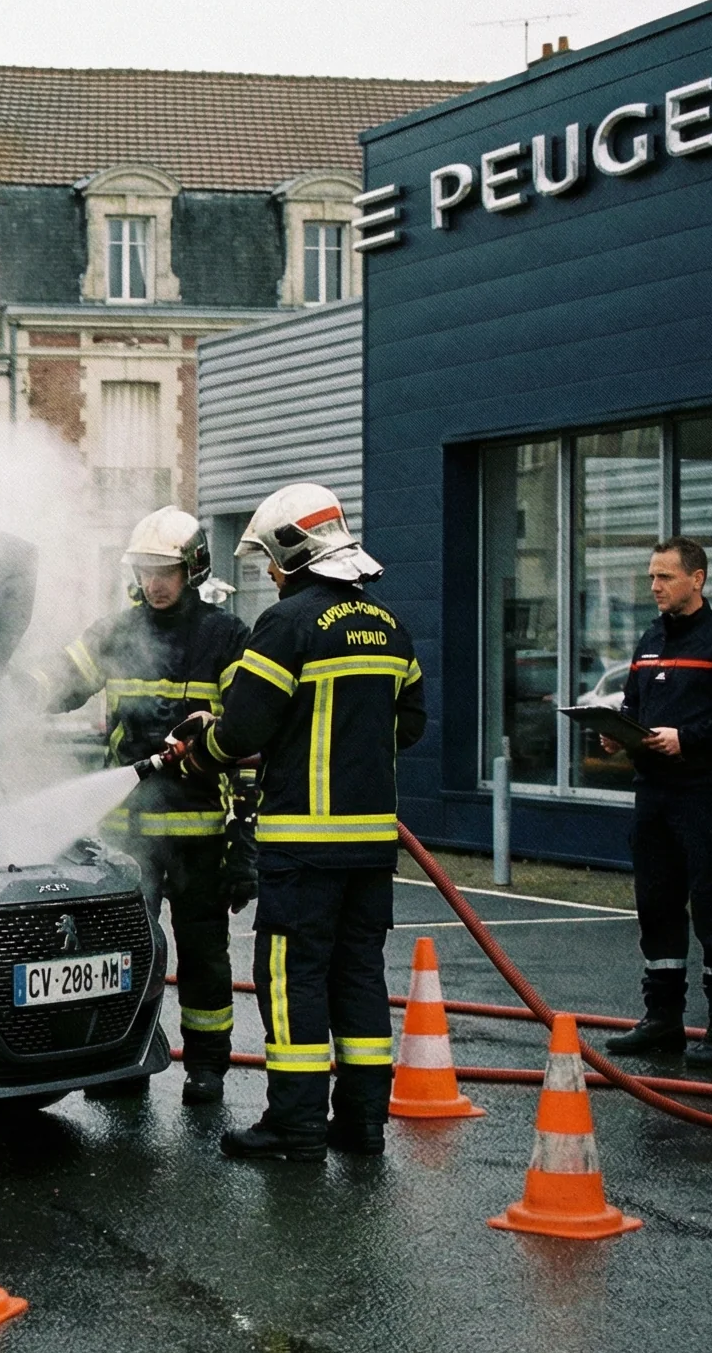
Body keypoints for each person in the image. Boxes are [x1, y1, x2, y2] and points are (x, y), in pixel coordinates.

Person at [179, 483, 424, 1162]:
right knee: (359, 978)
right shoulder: (389, 625)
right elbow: (409, 724)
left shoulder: (287, 624)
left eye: (270, 558)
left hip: (302, 848)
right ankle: (364, 1124)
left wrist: (203, 752)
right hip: (371, 848)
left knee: (293, 983)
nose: (267, 571)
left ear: (294, 552)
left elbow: (243, 729)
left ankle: (295, 1126)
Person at [34, 507, 255, 1106]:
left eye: (166, 571)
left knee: (205, 956)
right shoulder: (116, 633)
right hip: (126, 836)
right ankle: (122, 1061)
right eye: (146, 571)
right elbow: (62, 677)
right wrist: (15, 689)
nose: (155, 583)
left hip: (201, 837)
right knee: (125, 954)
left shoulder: (226, 638)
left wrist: (246, 841)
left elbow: (247, 735)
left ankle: (206, 1069)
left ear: (193, 569)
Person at [600, 538, 712, 1068]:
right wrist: (618, 733)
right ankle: (662, 1020)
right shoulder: (650, 640)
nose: (654, 586)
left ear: (697, 580)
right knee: (656, 905)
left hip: (705, 794)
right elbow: (633, 705)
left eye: (665, 577)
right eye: (652, 576)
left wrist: (687, 739)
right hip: (653, 794)